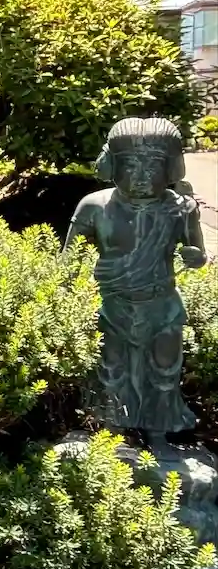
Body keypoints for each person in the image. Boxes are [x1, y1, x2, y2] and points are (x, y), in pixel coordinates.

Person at [65, 117, 206, 446]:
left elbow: (198, 253)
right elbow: (69, 260)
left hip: (162, 305)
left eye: (152, 167)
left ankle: (159, 437)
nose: (141, 177)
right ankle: (112, 434)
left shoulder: (180, 209)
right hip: (112, 304)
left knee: (165, 371)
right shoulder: (94, 207)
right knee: (111, 370)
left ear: (170, 169)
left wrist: (194, 256)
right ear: (111, 166)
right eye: (130, 166)